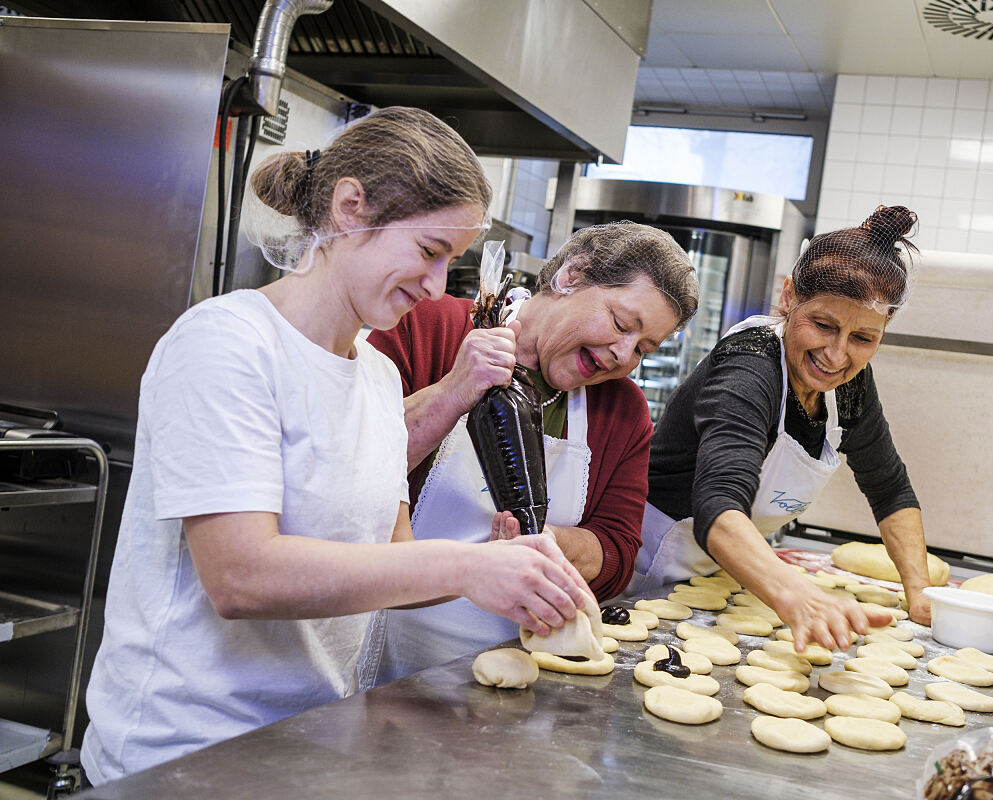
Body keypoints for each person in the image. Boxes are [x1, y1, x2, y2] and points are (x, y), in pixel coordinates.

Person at [80, 107, 592, 785]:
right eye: (430, 251)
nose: (439, 286)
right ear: (352, 208)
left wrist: (499, 567)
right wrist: (463, 571)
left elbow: (394, 565)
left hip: (307, 743)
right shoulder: (226, 344)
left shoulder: (377, 374)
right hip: (181, 754)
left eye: (453, 262)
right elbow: (240, 576)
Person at [361, 221, 699, 683]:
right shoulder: (427, 326)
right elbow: (349, 472)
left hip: (515, 672)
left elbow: (619, 551)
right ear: (571, 276)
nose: (623, 355)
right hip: (377, 657)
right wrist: (452, 393)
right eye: (622, 324)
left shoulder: (622, 410)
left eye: (643, 348)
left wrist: (547, 544)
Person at [631, 205, 936, 650]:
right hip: (649, 570)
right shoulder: (748, 369)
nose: (836, 355)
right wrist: (797, 595)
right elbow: (717, 503)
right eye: (823, 325)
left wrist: (921, 595)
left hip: (728, 571)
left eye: (863, 338)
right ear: (790, 297)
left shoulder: (848, 385)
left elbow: (888, 487)